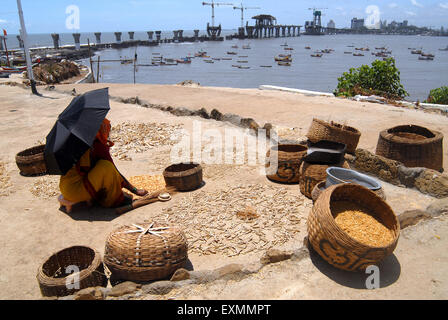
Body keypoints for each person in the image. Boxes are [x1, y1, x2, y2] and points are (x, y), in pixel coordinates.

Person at [59, 118, 148, 208]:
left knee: (101, 168)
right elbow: (114, 171)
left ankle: (90, 198)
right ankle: (112, 201)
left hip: (65, 188)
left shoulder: (78, 141)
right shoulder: (97, 145)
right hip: (75, 190)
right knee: (107, 167)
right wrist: (135, 190)